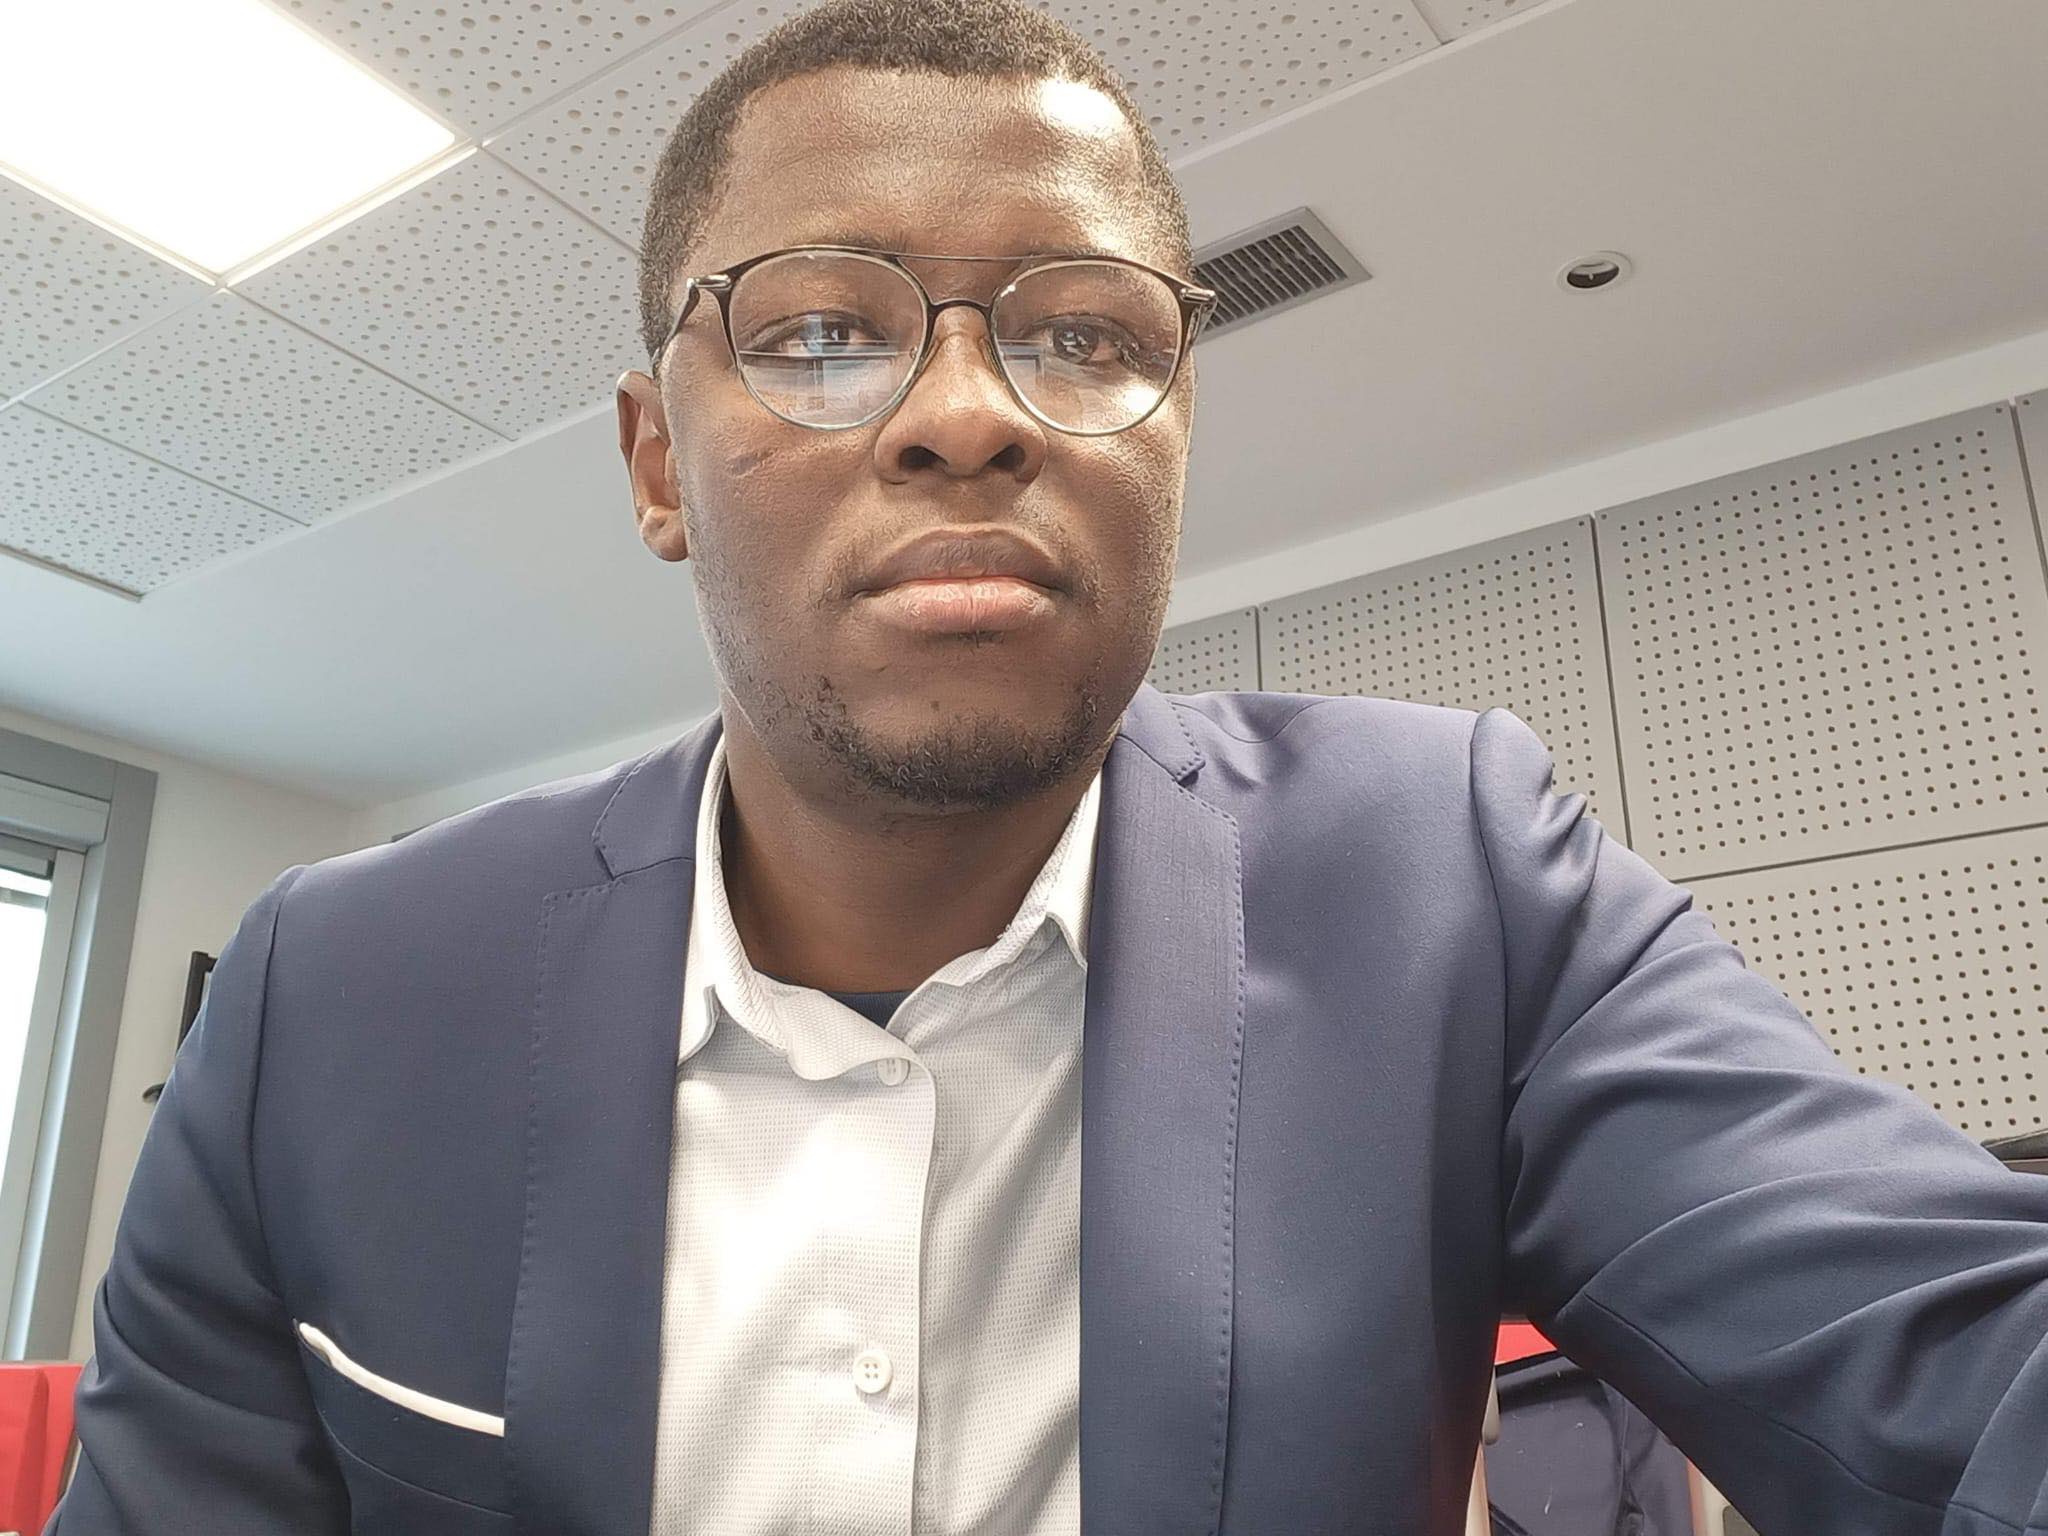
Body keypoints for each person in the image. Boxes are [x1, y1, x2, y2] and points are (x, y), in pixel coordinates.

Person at [47, 0, 2048, 1531]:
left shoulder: (1455, 881)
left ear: (1177, 437)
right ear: (659, 465)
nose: (964, 415)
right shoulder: (330, 994)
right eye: (818, 330)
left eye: (1082, 334)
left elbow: (1950, 1358)